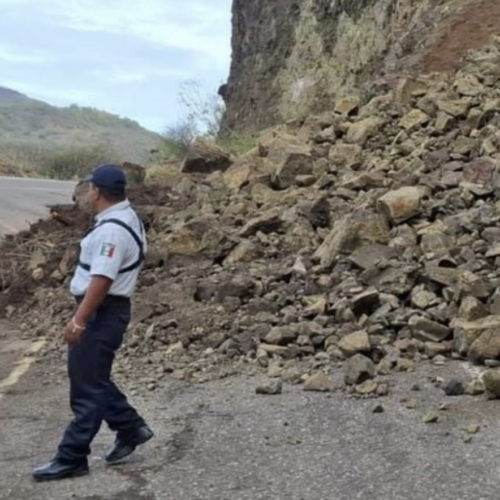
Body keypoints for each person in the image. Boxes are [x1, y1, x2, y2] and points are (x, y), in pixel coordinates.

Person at [33, 165, 154, 482]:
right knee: (93, 377)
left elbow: (102, 278)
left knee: (86, 389)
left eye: (88, 189)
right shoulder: (125, 218)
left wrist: (79, 320)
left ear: (97, 192)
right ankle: (131, 427)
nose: (86, 195)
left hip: (102, 312)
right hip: (108, 310)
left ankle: (72, 457)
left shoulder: (113, 230)